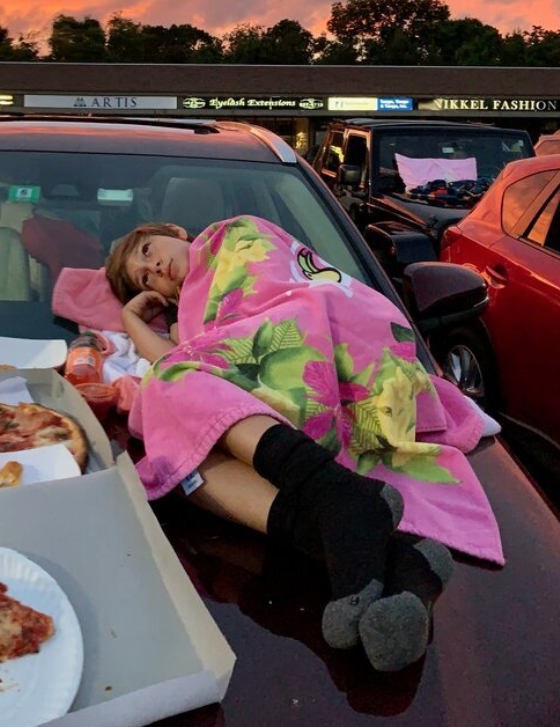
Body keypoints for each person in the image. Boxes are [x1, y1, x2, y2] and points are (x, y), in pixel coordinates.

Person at [104, 219, 500, 673]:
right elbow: (181, 359)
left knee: (167, 385)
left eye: (150, 249)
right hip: (279, 403)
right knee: (175, 461)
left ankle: (340, 501)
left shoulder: (233, 235)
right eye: (144, 277)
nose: (155, 267)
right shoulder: (190, 318)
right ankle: (396, 553)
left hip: (341, 359)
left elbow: (285, 291)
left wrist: (179, 354)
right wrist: (132, 319)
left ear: (172, 230)